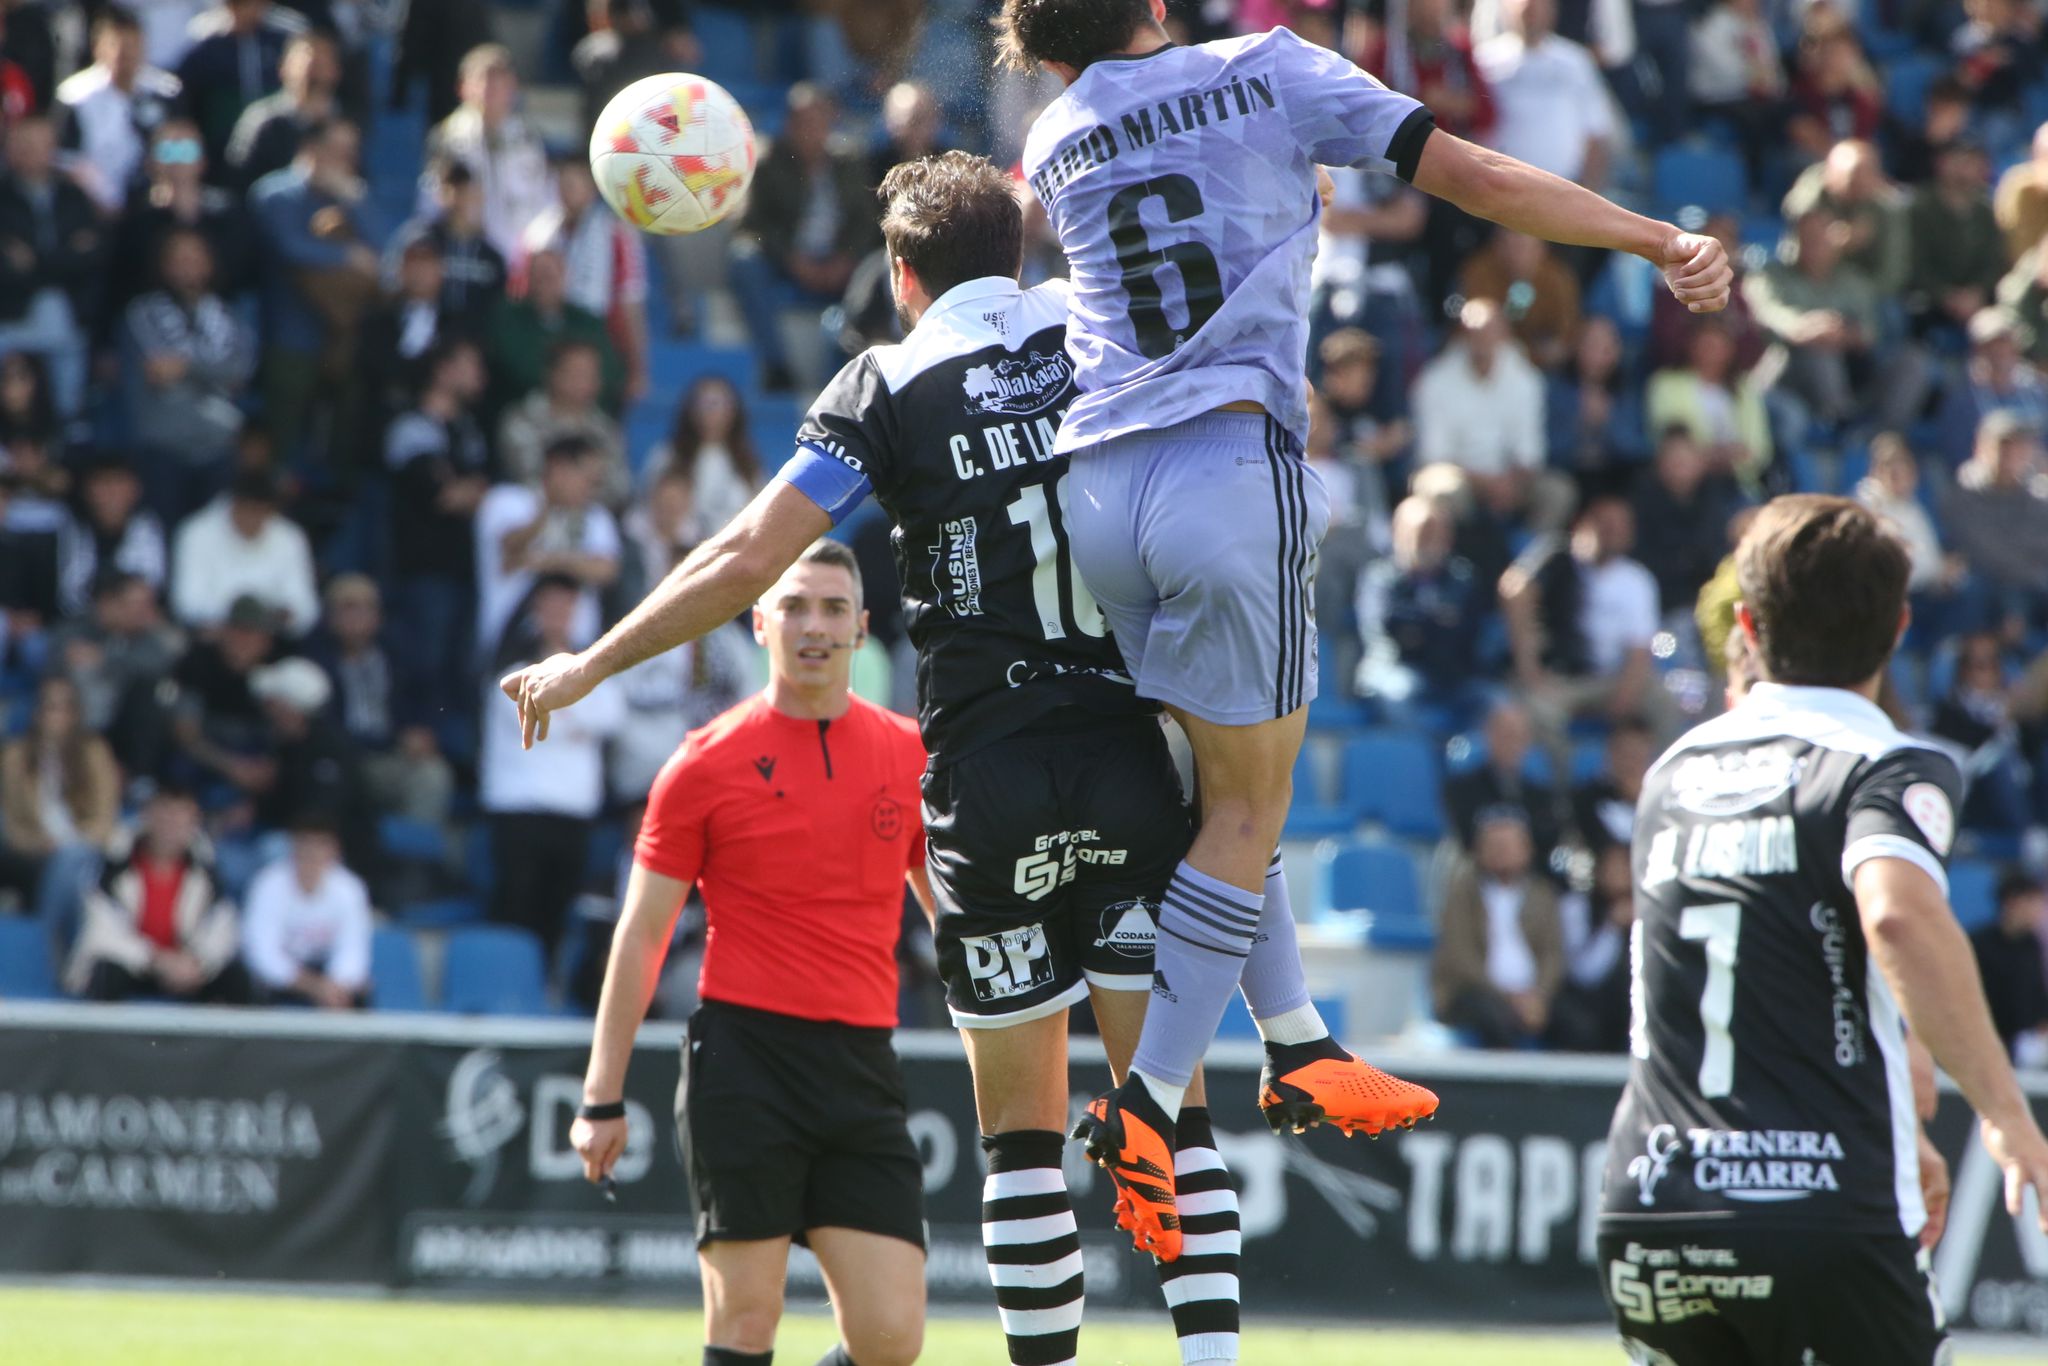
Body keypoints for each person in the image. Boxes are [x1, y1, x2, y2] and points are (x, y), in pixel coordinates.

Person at [997, 0, 1728, 1246]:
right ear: (1159, 6)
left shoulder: (1056, 131)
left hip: (1097, 492)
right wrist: (1651, 236)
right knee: (1246, 804)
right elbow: (1475, 175)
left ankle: (1300, 1044)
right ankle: (1144, 1104)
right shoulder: (1266, 65)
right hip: (1226, 466)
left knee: (1231, 784)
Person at [505, 154, 1247, 1364]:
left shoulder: (887, 381)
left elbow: (750, 557)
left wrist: (588, 662)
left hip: (988, 782)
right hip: (1129, 753)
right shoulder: (1097, 329)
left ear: (901, 278)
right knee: (1170, 1107)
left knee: (1022, 1133)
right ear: (1018, 251)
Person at [1597, 494, 2048, 1364]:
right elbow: (1894, 917)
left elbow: (1788, 959)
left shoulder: (1671, 774)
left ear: (1747, 625)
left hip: (1652, 1210)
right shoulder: (1885, 766)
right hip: (1816, 1210)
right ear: (1900, 628)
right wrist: (2004, 1112)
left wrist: (1903, 1120)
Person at [568, 541, 929, 1366]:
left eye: (834, 609)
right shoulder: (704, 763)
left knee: (890, 1340)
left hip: (864, 1065)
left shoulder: (911, 755)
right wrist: (601, 1098)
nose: (814, 625)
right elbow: (642, 935)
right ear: (760, 622)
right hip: (745, 1062)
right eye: (794, 606)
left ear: (862, 630)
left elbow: (952, 914)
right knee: (744, 1325)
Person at [481, 575, 624, 955]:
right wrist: (577, 720)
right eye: (551, 604)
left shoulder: (597, 678)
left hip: (573, 816)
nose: (560, 614)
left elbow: (611, 716)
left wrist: (563, 716)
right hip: (519, 812)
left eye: (568, 604)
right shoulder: (510, 672)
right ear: (535, 611)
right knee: (514, 913)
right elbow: (537, 715)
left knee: (558, 919)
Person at [63, 785, 249, 1003]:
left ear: (194, 823)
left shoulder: (208, 870)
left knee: (239, 979)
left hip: (188, 967)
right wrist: (156, 960)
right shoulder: (112, 865)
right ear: (147, 817)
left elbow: (221, 927)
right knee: (106, 973)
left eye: (181, 819)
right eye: (165, 817)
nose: (171, 827)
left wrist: (195, 962)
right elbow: (100, 931)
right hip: (133, 964)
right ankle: (103, 1038)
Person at [122, 227, 255, 522]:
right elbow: (158, 368)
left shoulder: (229, 316)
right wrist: (213, 371)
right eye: (179, 258)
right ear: (164, 265)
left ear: (210, 263)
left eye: (195, 257)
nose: (188, 265)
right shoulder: (142, 311)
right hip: (164, 448)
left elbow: (240, 373)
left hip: (218, 447)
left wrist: (185, 367)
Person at [0, 676, 118, 952]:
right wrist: (38, 843)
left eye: (63, 707)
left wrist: (74, 843)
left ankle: (50, 940)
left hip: (84, 847)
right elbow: (11, 820)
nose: (55, 715)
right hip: (33, 850)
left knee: (71, 863)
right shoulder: (15, 756)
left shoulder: (94, 752)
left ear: (74, 714)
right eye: (49, 706)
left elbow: (105, 814)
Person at [1431, 806, 1565, 1047]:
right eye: (1494, 845)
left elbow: (1552, 953)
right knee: (1496, 1017)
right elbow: (1460, 956)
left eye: (1509, 845)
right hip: (1474, 992)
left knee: (1578, 1021)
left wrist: (1540, 996)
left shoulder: (1542, 894)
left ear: (1527, 849)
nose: (1502, 852)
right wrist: (1509, 997)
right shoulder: (1462, 891)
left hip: (1532, 996)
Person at [422, 44, 553, 262]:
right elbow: (429, 204)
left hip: (519, 254)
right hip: (465, 256)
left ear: (512, 86)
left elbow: (545, 200)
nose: (490, 88)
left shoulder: (529, 139)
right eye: (482, 79)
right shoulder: (447, 138)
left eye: (499, 80)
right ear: (463, 87)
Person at [53, 5, 182, 215]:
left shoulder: (167, 91)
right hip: (92, 207)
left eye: (133, 44)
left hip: (155, 204)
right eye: (116, 45)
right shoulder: (74, 96)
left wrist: (164, 162)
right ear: (97, 47)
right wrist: (102, 199)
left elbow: (188, 149)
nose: (125, 53)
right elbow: (65, 160)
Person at [239, 814, 372, 1009]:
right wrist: (313, 987)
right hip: (283, 982)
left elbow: (353, 952)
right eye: (306, 845)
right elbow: (263, 954)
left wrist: (335, 986)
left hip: (329, 981)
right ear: (292, 847)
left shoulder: (350, 889)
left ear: (334, 850)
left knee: (361, 990)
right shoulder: (268, 885)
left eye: (321, 845)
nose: (313, 853)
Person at [169, 469, 319, 636]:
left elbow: (305, 608)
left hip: (272, 641)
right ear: (234, 504)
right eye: (248, 510)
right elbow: (187, 603)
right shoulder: (195, 532)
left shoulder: (291, 537)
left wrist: (284, 618)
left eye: (260, 511)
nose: (253, 519)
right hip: (212, 639)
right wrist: (244, 619)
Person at [641, 375, 762, 541]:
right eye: (705, 404)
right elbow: (648, 509)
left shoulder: (748, 460)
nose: (712, 413)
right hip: (682, 548)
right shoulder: (668, 455)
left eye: (718, 404)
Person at [223, 28, 339, 191]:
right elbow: (240, 178)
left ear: (336, 70)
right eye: (305, 59)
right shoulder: (262, 120)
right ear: (283, 68)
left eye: (322, 60)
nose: (313, 67)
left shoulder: (345, 122)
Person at [1972, 869, 2048, 1063]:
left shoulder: (2031, 946)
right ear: (2013, 901)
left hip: (2024, 1046)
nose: (2038, 910)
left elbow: (2036, 999)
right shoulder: (1978, 944)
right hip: (1983, 1042)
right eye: (2032, 901)